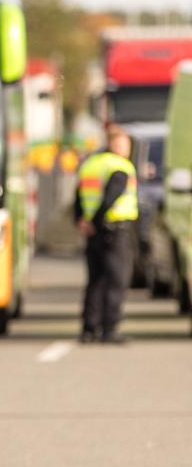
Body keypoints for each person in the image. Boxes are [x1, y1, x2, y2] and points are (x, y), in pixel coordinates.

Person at [75, 126, 139, 344]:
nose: (126, 149)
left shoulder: (90, 164)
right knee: (116, 280)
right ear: (115, 145)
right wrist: (95, 221)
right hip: (114, 230)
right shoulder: (120, 166)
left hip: (93, 232)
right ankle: (109, 328)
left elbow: (79, 196)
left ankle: (88, 328)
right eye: (123, 145)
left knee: (95, 280)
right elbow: (110, 196)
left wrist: (82, 221)